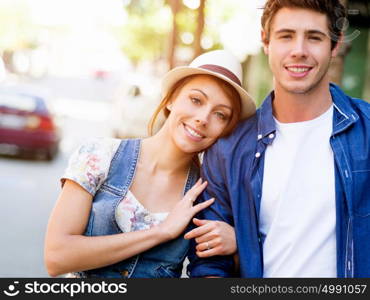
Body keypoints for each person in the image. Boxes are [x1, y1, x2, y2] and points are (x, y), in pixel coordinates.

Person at [187, 0, 370, 278]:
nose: (299, 51)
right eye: (286, 36)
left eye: (314, 37)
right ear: (266, 41)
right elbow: (209, 261)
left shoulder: (366, 130)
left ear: (335, 44)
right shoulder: (229, 148)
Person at [44, 50, 256, 278]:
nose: (203, 118)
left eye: (220, 115)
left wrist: (239, 242)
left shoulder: (206, 196)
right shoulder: (99, 155)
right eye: (196, 100)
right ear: (172, 98)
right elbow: (57, 257)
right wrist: (161, 232)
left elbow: (212, 271)